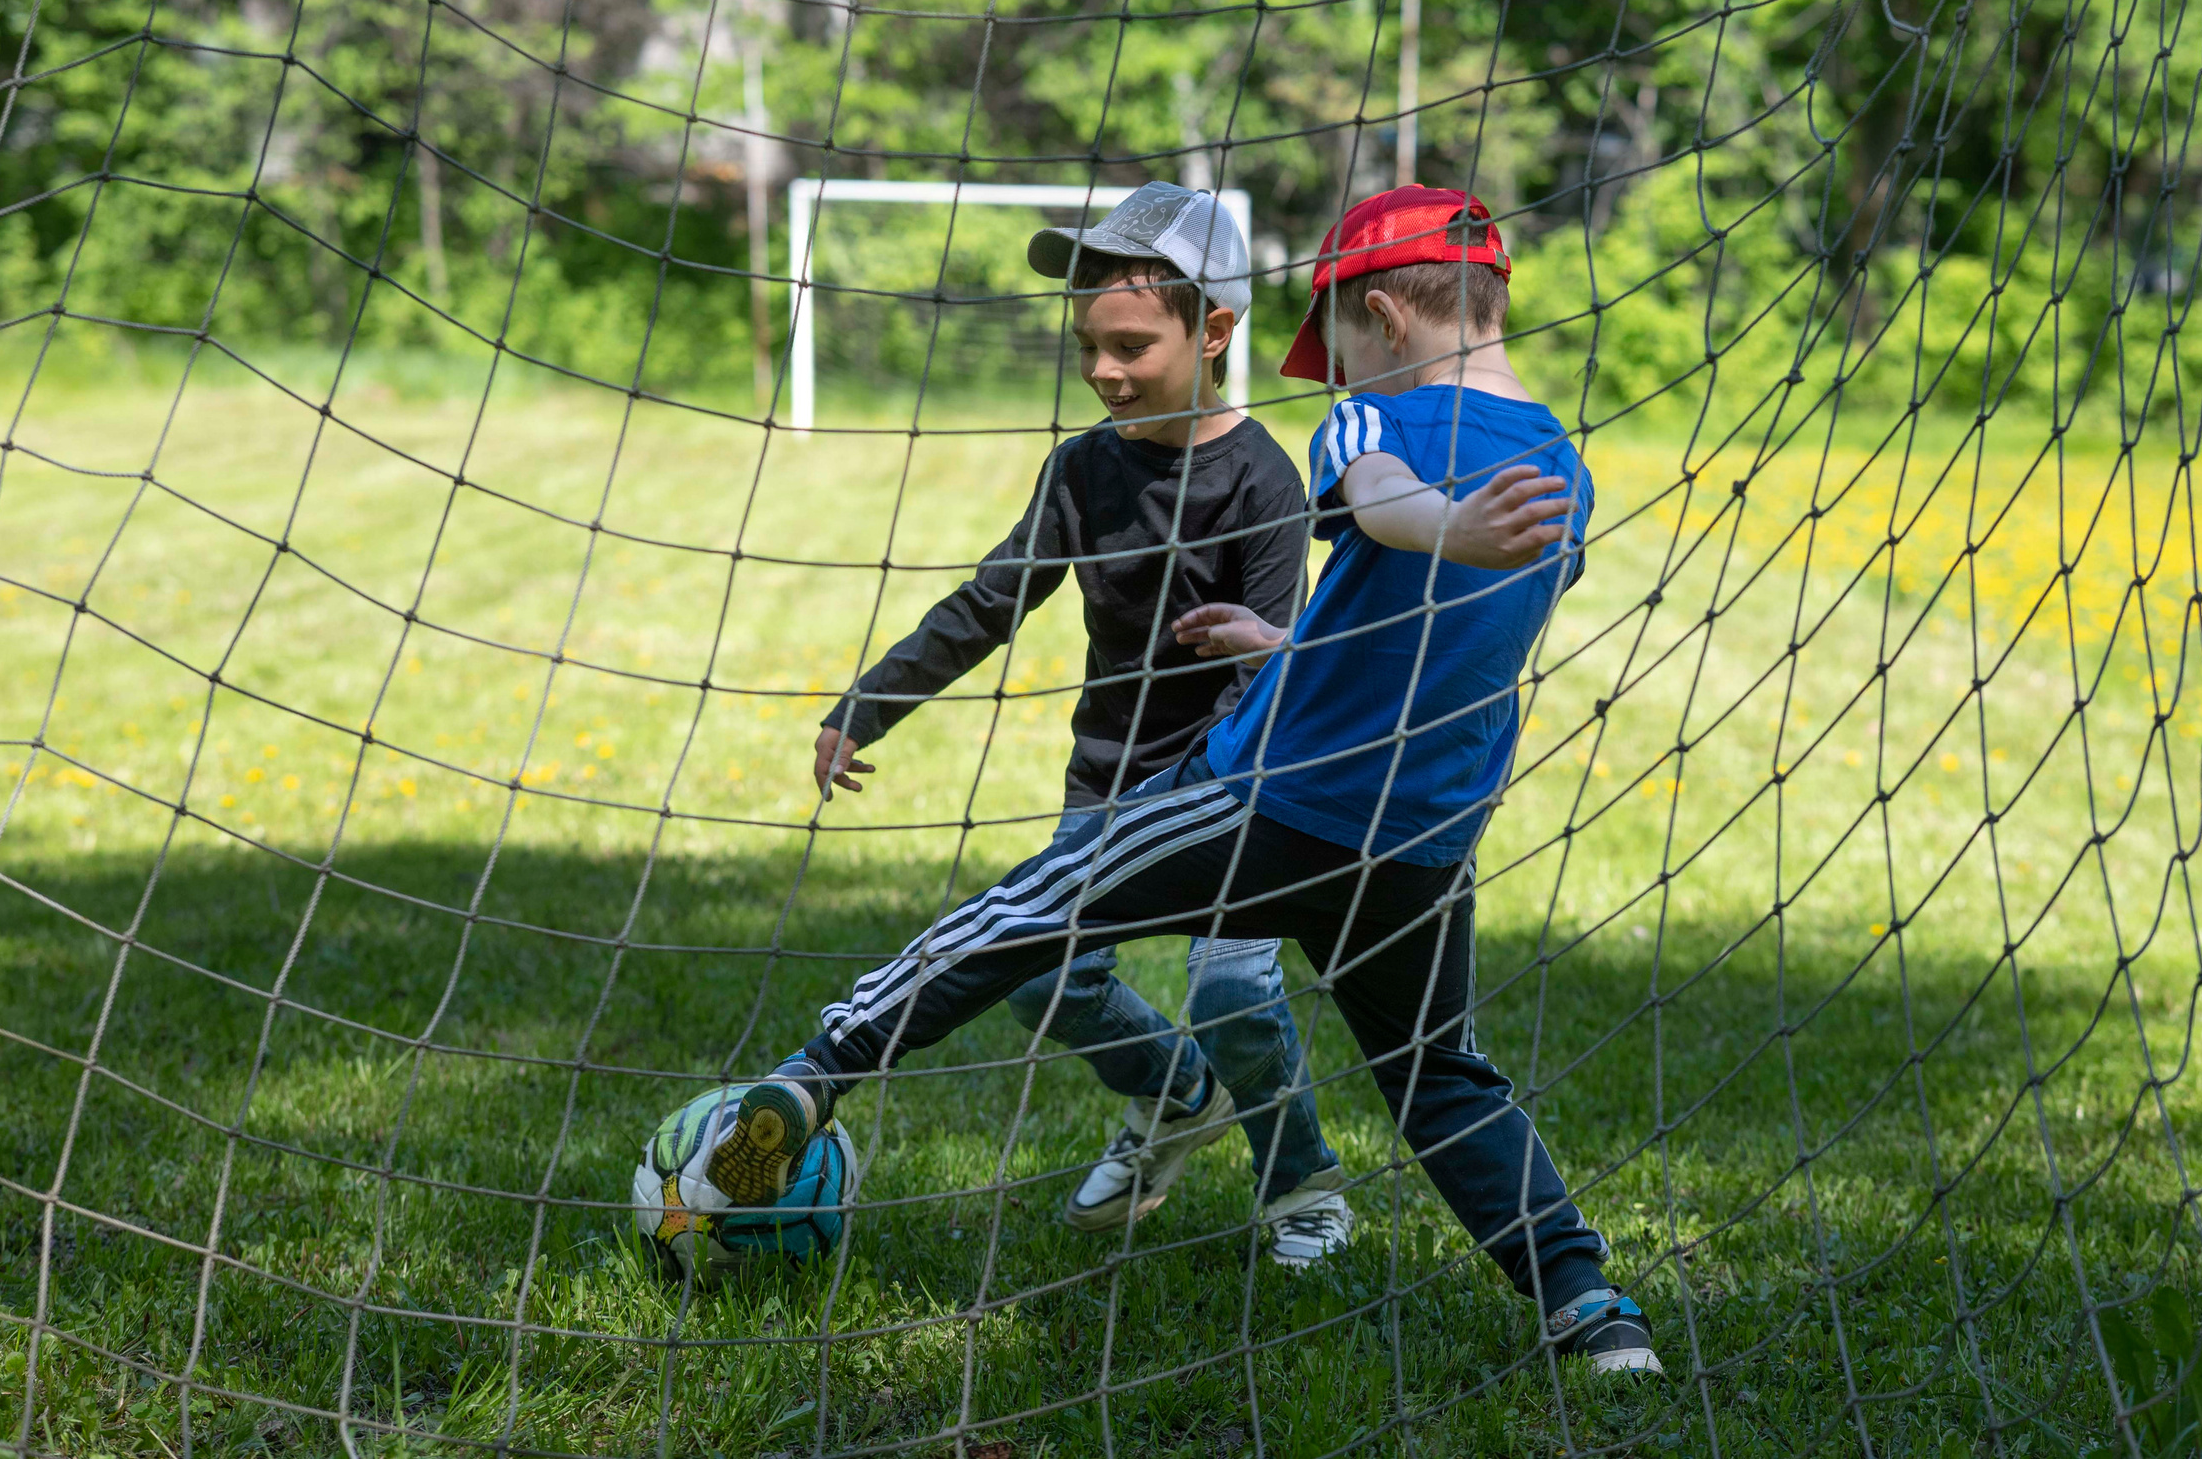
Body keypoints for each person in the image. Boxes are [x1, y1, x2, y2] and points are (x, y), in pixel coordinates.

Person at [702, 186, 1659, 1373]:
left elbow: (1386, 508)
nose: (1339, 377)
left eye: (1344, 354)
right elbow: (1441, 640)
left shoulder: (1372, 433)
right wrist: (1298, 641)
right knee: (1442, 1078)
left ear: (1382, 320)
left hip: (1270, 802)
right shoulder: (1562, 471)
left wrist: (1448, 523)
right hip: (1417, 845)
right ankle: (1591, 1307)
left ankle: (816, 1076)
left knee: (1029, 909)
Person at [808, 181, 1353, 1261]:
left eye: (1131, 345)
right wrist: (864, 708)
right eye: (1088, 344)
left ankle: (1303, 1188)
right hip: (1109, 777)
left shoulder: (1265, 482)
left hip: (1233, 785)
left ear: (1214, 332)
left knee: (1236, 987)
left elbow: (1269, 671)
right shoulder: (1084, 467)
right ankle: (1177, 1093)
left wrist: (1191, 794)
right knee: (1049, 979)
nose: (1104, 368)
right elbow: (991, 598)